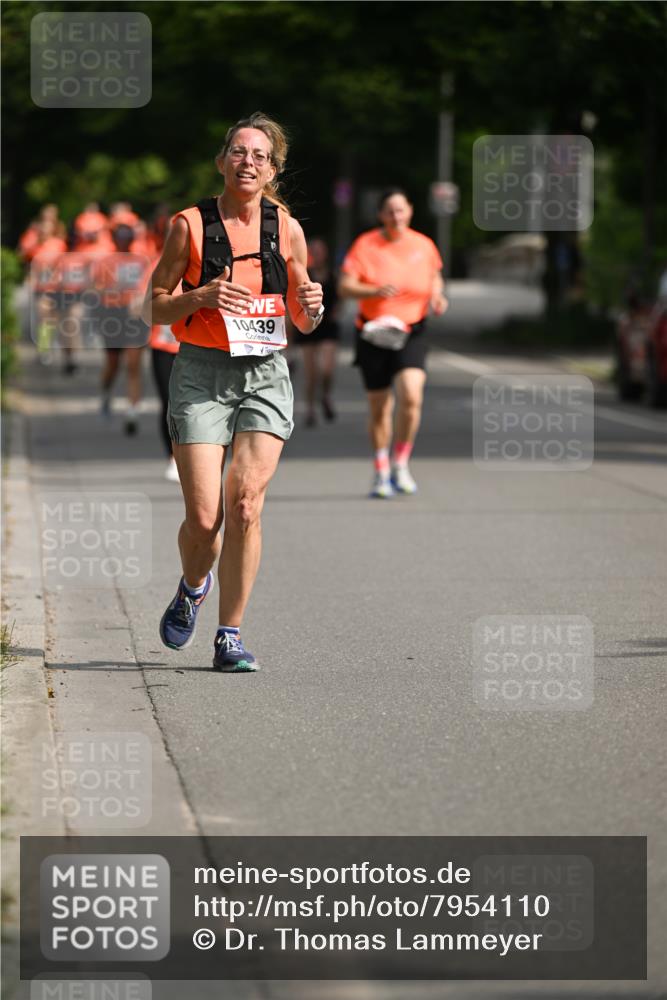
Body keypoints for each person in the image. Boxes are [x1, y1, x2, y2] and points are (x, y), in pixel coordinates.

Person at [143, 112, 323, 672]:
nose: (249, 162)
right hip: (199, 371)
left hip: (265, 371)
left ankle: (230, 634)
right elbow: (154, 304)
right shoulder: (189, 225)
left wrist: (313, 311)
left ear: (274, 167)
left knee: (244, 504)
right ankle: (192, 587)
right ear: (223, 161)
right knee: (204, 519)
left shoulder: (286, 228)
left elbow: (301, 312)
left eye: (261, 155)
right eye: (240, 152)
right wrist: (200, 298)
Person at [338, 188, 447, 498]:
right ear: (380, 215)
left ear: (410, 211)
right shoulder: (366, 244)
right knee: (379, 408)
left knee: (412, 397)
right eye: (389, 211)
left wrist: (437, 295)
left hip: (411, 331)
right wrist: (371, 292)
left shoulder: (424, 245)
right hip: (373, 333)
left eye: (401, 210)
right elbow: (346, 286)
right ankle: (381, 469)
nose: (396, 216)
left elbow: (435, 276)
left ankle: (401, 461)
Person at [93, 224, 151, 433]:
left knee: (133, 363)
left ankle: (132, 411)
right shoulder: (106, 261)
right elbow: (95, 287)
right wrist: (111, 291)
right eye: (120, 238)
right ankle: (106, 394)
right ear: (114, 239)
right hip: (113, 313)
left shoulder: (141, 261)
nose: (124, 242)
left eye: (127, 238)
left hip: (134, 315)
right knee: (113, 363)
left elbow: (150, 283)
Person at [292, 237, 340, 426]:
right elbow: (292, 305)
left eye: (321, 251)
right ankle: (310, 409)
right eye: (314, 251)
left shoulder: (334, 274)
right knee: (311, 374)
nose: (318, 255)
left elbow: (340, 296)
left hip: (328, 327)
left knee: (327, 369)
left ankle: (326, 395)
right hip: (308, 327)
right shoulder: (304, 275)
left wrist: (338, 310)